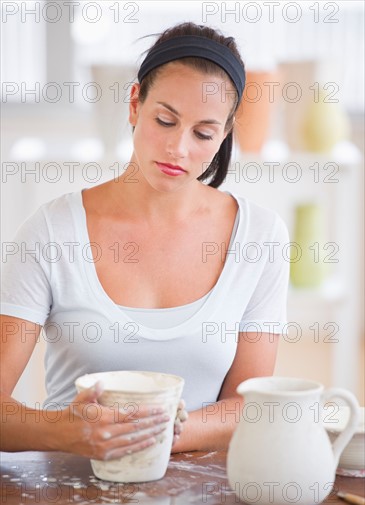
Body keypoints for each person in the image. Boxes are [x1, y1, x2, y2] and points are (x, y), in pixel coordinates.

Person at [0, 22, 289, 460]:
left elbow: (247, 405)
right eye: (165, 120)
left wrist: (158, 435)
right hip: (68, 499)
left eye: (203, 133)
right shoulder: (52, 231)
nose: (178, 148)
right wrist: (64, 431)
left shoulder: (260, 238)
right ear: (135, 103)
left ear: (226, 133)